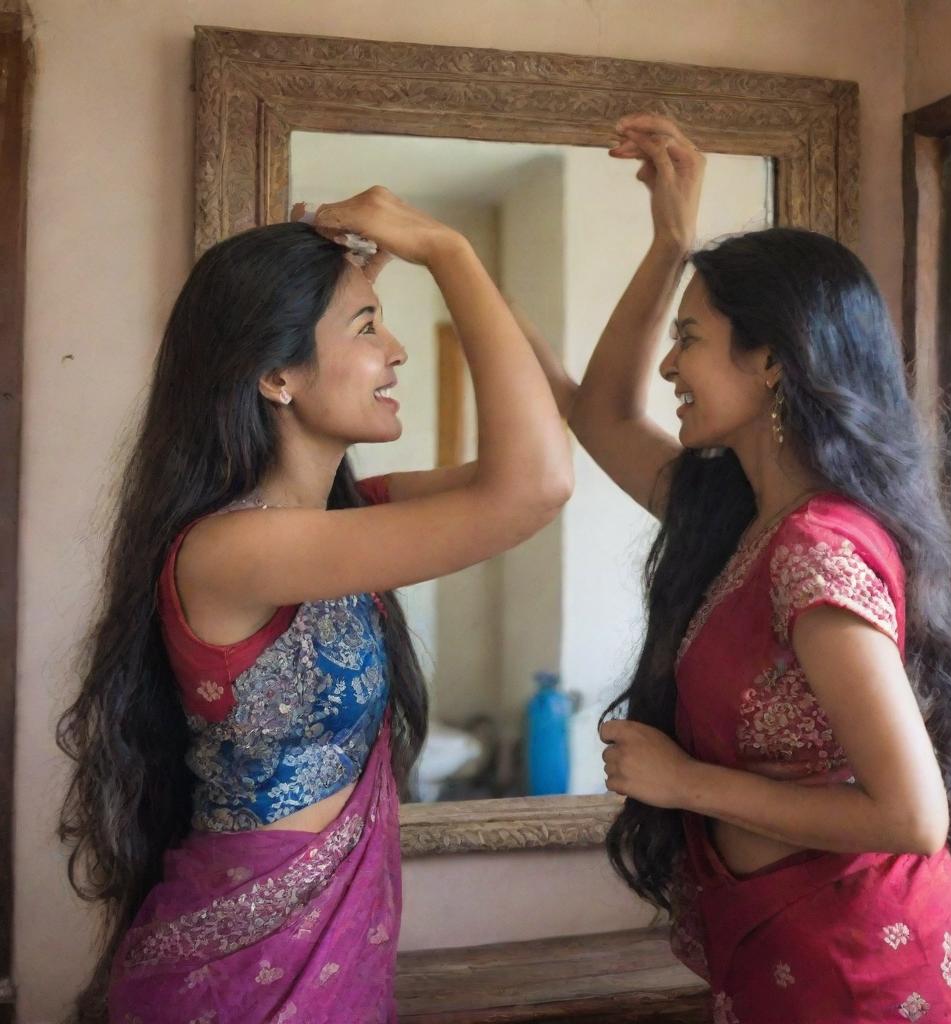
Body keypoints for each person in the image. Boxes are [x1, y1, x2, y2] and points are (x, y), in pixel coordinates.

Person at [56, 188, 573, 1023]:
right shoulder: (232, 552)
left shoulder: (344, 522)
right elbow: (535, 487)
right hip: (236, 982)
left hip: (326, 961)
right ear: (275, 375)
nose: (396, 351)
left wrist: (378, 282)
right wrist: (447, 250)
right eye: (369, 329)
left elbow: (536, 460)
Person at [536, 113, 951, 1022]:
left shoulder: (814, 552)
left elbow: (913, 819)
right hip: (791, 954)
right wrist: (670, 243)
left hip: (866, 970)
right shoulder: (742, 521)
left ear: (772, 366)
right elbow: (600, 417)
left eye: (691, 340)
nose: (670, 363)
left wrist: (683, 784)